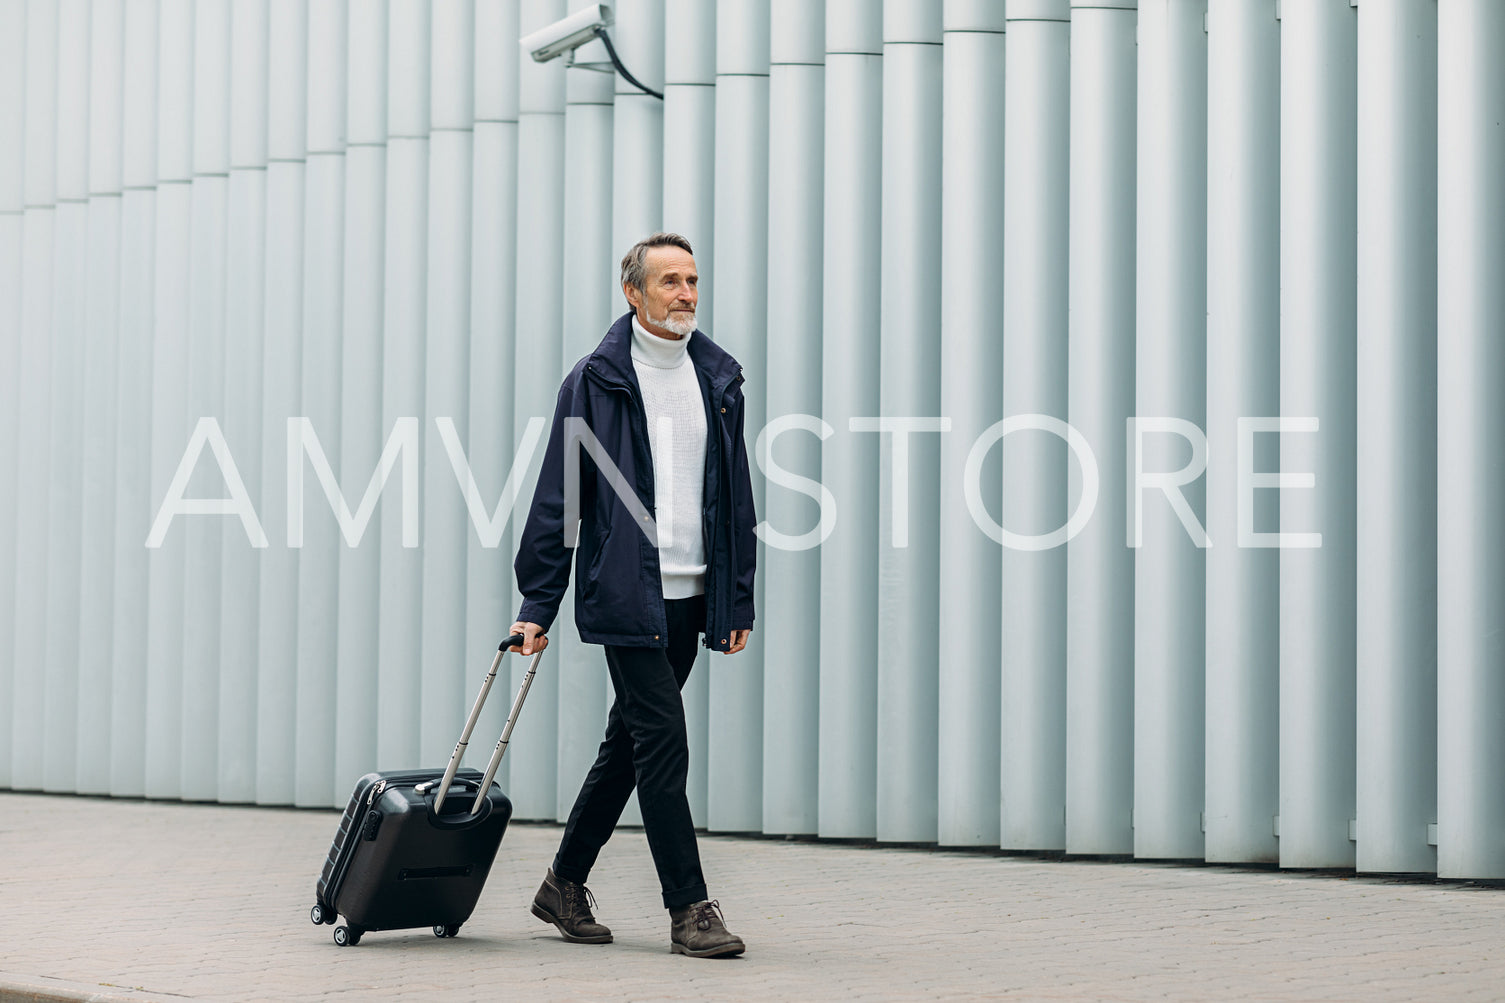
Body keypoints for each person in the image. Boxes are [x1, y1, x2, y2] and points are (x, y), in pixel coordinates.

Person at [506, 232, 756, 959]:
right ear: (633, 292)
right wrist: (536, 602)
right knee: (663, 746)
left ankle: (562, 882)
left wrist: (733, 600)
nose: (686, 294)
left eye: (692, 280)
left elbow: (734, 495)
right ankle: (690, 908)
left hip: (691, 592)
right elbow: (563, 496)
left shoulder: (717, 377)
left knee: (629, 746)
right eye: (670, 281)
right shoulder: (597, 379)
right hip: (625, 592)